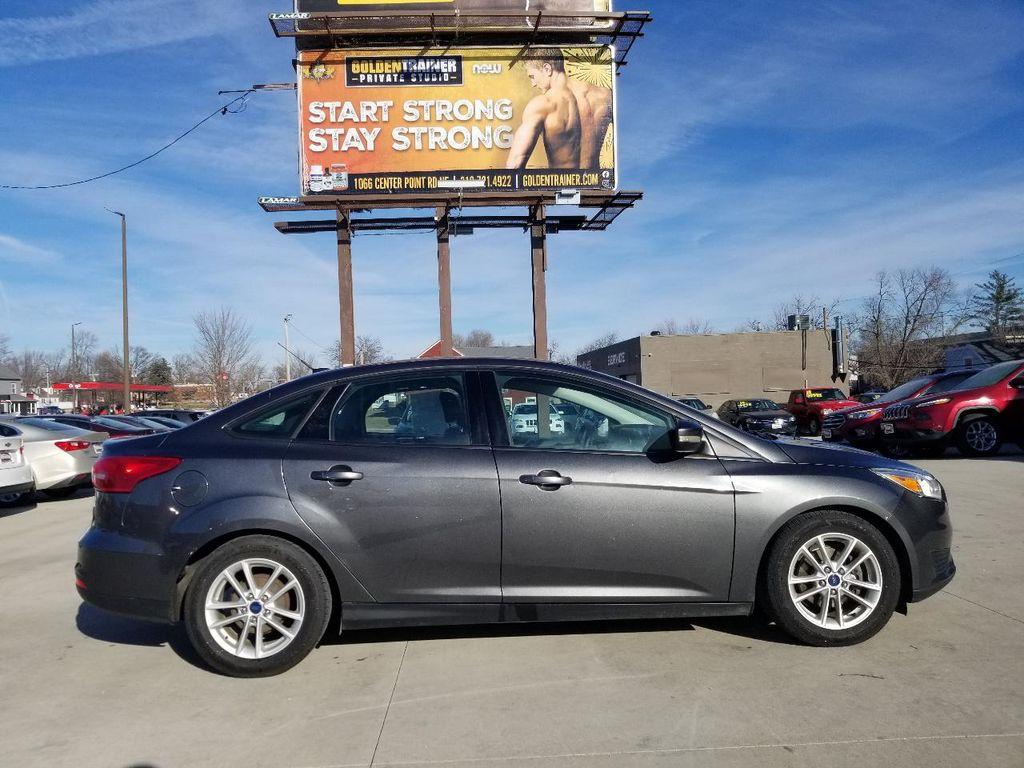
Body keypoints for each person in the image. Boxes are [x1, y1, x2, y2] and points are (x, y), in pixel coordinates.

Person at [506, 48, 581, 170]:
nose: (533, 84)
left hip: (558, 180)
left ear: (547, 69)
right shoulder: (597, 96)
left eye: (532, 76)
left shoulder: (542, 104)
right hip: (591, 180)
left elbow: (515, 163)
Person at [567, 76, 613, 168]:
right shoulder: (607, 95)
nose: (536, 84)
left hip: (566, 173)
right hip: (595, 173)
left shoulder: (552, 99)